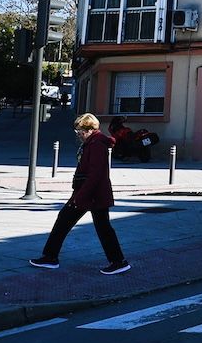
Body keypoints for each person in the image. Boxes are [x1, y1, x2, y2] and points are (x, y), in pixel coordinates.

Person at [29, 113, 131, 275]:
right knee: (100, 227)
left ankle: (50, 257)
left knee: (69, 221)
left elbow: (95, 174)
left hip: (91, 194)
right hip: (91, 193)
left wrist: (80, 197)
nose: (79, 135)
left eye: (80, 131)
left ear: (89, 129)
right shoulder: (92, 142)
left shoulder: (96, 144)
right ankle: (118, 261)